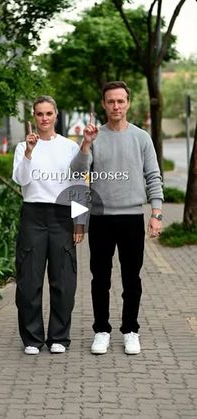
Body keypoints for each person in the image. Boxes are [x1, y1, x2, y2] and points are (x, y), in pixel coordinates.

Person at [71, 81, 163, 355]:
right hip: (101, 218)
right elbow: (77, 173)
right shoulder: (93, 137)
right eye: (110, 101)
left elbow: (153, 177)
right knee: (100, 278)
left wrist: (156, 213)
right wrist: (86, 144)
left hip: (132, 216)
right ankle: (101, 330)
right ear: (103, 104)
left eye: (120, 101)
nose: (116, 106)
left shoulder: (141, 138)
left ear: (128, 103)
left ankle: (130, 330)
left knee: (131, 278)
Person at [12, 95, 84, 355]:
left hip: (62, 216)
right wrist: (30, 153)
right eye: (39, 114)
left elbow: (78, 185)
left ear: (56, 115)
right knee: (29, 280)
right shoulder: (23, 147)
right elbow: (22, 180)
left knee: (64, 281)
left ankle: (58, 337)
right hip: (33, 215)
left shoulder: (70, 147)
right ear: (34, 116)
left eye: (48, 113)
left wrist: (80, 222)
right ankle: (32, 339)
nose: (44, 118)